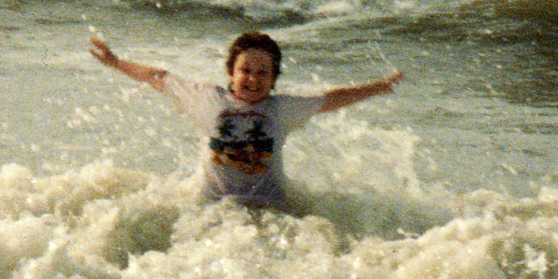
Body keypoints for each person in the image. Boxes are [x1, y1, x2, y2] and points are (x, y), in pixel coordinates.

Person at [90, 31, 403, 212]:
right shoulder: (207, 99)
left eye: (263, 72)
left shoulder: (283, 109)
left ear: (274, 77)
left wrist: (378, 87)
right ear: (231, 72)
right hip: (215, 209)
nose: (253, 79)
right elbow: (159, 78)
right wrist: (116, 62)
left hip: (269, 210)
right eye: (246, 71)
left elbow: (332, 99)